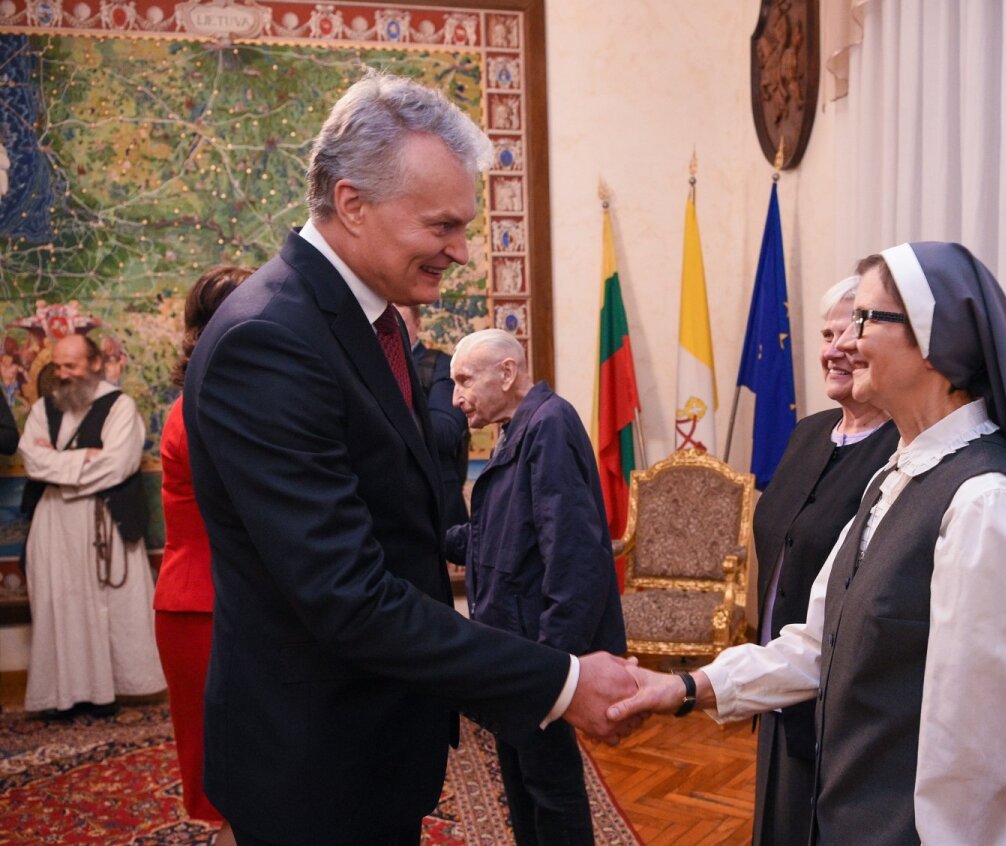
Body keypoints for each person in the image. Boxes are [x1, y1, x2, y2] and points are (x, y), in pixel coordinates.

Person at [182, 71, 638, 846]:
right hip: (313, 761)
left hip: (370, 741)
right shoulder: (270, 341)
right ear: (353, 203)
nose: (461, 252)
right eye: (443, 226)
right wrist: (559, 680)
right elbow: (348, 596)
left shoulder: (360, 321)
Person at [610, 241, 1006, 845]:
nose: (847, 341)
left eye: (866, 319)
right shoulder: (898, 472)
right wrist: (681, 688)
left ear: (933, 340)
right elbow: (816, 643)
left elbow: (979, 755)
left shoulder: (982, 503)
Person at [446, 329, 627, 846]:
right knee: (524, 783)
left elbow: (573, 552)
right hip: (513, 648)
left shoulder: (549, 423)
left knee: (550, 787)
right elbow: (498, 535)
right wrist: (427, 539)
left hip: (539, 652)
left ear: (506, 372)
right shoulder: (518, 426)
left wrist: (557, 666)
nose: (456, 397)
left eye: (465, 380)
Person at [750, 276, 896, 846]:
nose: (834, 349)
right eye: (826, 334)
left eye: (848, 333)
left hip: (842, 701)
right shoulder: (808, 433)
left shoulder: (902, 450)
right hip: (777, 677)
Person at [153, 265, 252, 846]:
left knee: (254, 774)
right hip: (204, 610)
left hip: (223, 602)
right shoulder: (200, 409)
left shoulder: (216, 399)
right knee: (234, 782)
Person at [18, 333, 164, 717]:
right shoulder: (43, 410)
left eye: (72, 365)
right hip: (53, 525)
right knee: (59, 605)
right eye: (58, 366)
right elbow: (33, 463)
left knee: (105, 606)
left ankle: (108, 693)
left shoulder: (120, 407)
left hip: (104, 520)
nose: (63, 374)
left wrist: (62, 465)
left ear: (96, 364)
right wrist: (87, 457)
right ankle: (64, 696)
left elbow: (118, 466)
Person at [398, 304, 470, 529]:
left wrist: (385, 415)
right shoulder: (369, 365)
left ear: (417, 325)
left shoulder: (441, 366)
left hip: (437, 505)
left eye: (400, 323)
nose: (391, 330)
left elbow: (445, 432)